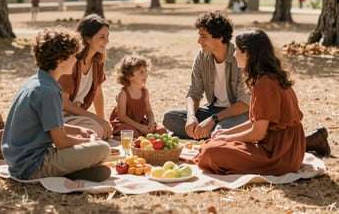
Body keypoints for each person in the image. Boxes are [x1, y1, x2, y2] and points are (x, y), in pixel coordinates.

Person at [1, 26, 111, 181]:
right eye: (73, 56)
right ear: (60, 61)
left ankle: (70, 172)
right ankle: (63, 172)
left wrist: (78, 129)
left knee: (94, 148)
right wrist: (86, 141)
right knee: (103, 149)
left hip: (18, 162)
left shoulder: (36, 82)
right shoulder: (49, 92)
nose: (76, 59)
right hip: (33, 165)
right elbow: (61, 142)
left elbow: (46, 124)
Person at [194, 28, 306, 175]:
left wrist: (227, 138)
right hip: (288, 149)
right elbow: (256, 122)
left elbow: (257, 133)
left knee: (210, 152)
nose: (234, 54)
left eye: (237, 50)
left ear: (247, 53)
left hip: (278, 154)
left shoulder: (265, 84)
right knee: (214, 143)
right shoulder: (269, 77)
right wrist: (227, 132)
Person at [162, 11, 250, 140]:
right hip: (212, 111)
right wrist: (191, 117)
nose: (199, 41)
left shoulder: (241, 57)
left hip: (239, 114)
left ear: (220, 37)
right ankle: (210, 135)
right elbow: (194, 92)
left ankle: (212, 135)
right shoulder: (202, 56)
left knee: (220, 130)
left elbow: (244, 103)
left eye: (203, 36)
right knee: (170, 118)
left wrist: (213, 120)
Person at [58, 14, 112, 140]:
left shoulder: (97, 61)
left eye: (108, 36)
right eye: (102, 37)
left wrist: (103, 121)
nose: (107, 41)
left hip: (77, 117)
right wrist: (96, 120)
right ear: (87, 39)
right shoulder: (71, 62)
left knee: (100, 128)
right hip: (59, 117)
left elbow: (98, 94)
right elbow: (64, 103)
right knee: (96, 129)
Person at [109, 54, 167, 139]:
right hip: (126, 124)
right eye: (141, 72)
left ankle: (142, 135)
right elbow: (122, 117)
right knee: (131, 133)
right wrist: (139, 126)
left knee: (161, 131)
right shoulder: (123, 94)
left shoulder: (144, 91)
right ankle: (120, 136)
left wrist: (151, 122)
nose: (145, 74)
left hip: (140, 122)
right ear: (129, 76)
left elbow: (148, 111)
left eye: (146, 71)